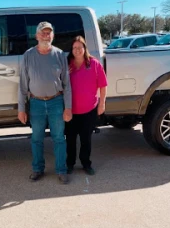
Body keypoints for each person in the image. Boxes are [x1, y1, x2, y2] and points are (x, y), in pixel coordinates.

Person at [18, 22, 72, 184]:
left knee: (59, 138)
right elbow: (22, 85)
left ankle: (61, 170)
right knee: (36, 139)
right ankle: (37, 169)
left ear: (53, 36)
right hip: (36, 103)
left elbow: (67, 85)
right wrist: (21, 108)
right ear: (36, 36)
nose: (46, 36)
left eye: (49, 33)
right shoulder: (28, 55)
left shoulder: (60, 55)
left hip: (56, 102)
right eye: (43, 33)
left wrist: (68, 107)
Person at [65, 36, 107, 175]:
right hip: (70, 110)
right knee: (70, 139)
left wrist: (102, 104)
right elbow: (59, 85)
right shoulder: (66, 64)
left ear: (84, 48)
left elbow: (103, 85)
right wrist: (65, 74)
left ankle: (86, 163)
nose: (77, 50)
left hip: (89, 110)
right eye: (74, 48)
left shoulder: (94, 64)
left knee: (86, 139)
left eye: (79, 47)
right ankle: (69, 164)